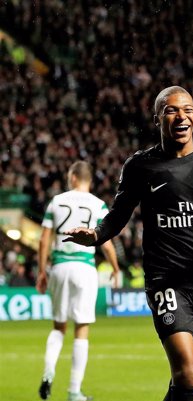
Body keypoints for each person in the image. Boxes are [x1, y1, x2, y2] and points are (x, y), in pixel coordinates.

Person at [63, 86, 193, 401]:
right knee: (187, 373)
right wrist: (97, 234)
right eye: (172, 110)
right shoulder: (140, 166)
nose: (182, 116)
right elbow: (117, 216)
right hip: (166, 280)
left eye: (188, 109)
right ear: (158, 118)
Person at [36, 161, 121, 401]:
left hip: (60, 266)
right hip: (84, 267)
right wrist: (115, 267)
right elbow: (105, 239)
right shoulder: (98, 204)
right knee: (81, 329)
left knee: (58, 326)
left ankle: (48, 372)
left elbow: (44, 240)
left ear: (73, 177)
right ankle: (74, 392)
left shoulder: (57, 201)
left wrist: (42, 271)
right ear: (88, 180)